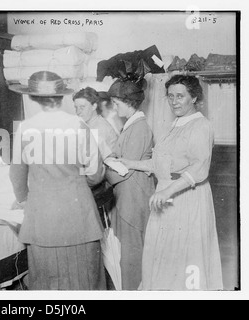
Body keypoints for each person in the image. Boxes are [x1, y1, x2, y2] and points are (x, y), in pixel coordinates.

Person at [118, 75, 223, 290]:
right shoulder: (174, 124)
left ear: (194, 97)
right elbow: (161, 164)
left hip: (187, 198)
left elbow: (199, 169)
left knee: (185, 258)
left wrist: (167, 192)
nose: (174, 101)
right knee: (164, 256)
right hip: (166, 197)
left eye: (180, 96)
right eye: (170, 96)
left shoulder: (201, 126)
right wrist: (129, 163)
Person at [8, 71, 107, 290]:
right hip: (79, 216)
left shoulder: (25, 128)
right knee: (87, 280)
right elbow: (95, 173)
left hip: (42, 220)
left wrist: (25, 199)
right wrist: (74, 185)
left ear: (33, 98)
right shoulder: (78, 124)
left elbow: (17, 174)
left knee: (47, 283)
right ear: (61, 97)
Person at [104, 78, 155, 290]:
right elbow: (116, 155)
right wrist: (111, 161)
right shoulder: (130, 127)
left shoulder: (139, 128)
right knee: (128, 254)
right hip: (127, 198)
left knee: (132, 258)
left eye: (116, 104)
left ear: (129, 102)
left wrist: (102, 171)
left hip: (134, 200)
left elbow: (123, 170)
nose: (114, 109)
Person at [73, 87, 118, 161]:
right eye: (76, 107)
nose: (78, 112)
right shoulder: (88, 124)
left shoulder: (100, 128)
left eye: (82, 107)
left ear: (94, 106)